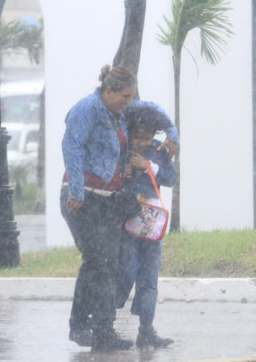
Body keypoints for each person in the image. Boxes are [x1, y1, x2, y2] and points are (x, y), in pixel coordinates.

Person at [60, 64, 179, 351]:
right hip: (84, 197)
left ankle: (102, 330)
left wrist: (172, 134)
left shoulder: (120, 112)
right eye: (125, 96)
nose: (129, 102)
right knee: (97, 261)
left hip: (109, 201)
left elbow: (153, 110)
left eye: (130, 96)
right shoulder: (88, 108)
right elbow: (71, 147)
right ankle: (81, 326)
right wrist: (75, 190)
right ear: (108, 90)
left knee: (106, 265)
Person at [115, 105, 177, 349]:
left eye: (147, 137)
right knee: (127, 270)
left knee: (149, 278)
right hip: (127, 220)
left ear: (154, 136)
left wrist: (148, 166)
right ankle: (108, 312)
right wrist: (124, 171)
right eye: (137, 137)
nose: (142, 142)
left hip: (152, 225)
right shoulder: (122, 149)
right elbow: (111, 177)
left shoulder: (160, 151)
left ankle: (146, 328)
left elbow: (171, 178)